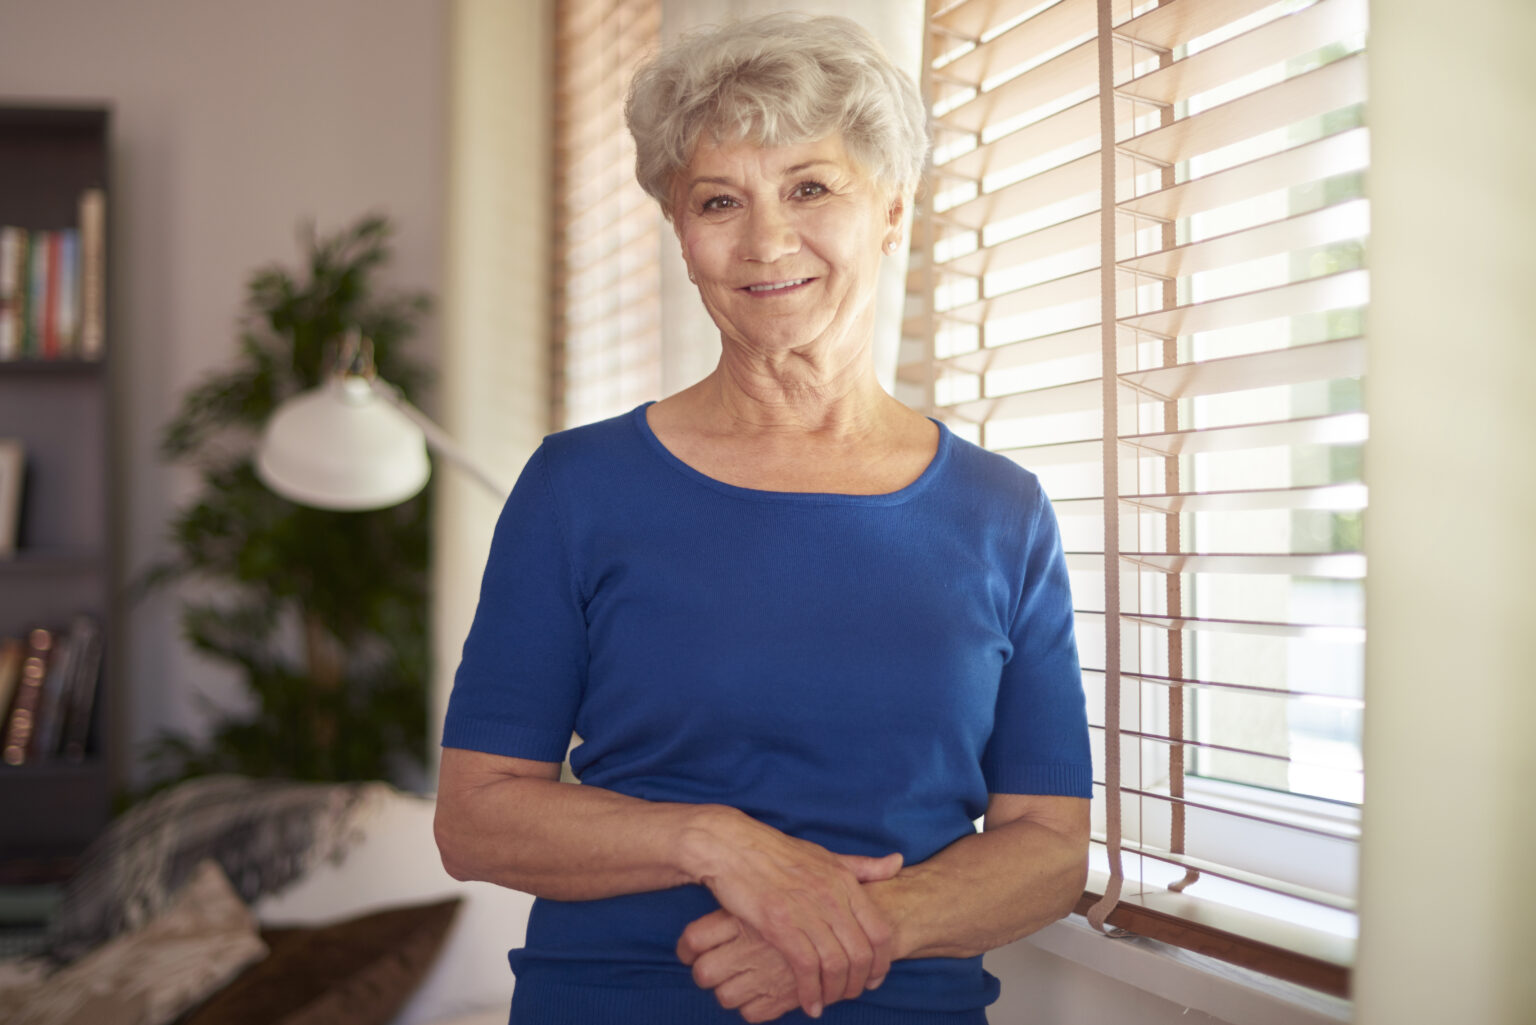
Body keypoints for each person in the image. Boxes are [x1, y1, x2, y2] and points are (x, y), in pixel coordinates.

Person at [434, 12, 1092, 1025]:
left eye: (811, 188)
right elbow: (476, 820)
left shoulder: (1002, 511)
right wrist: (716, 842)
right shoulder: (579, 486)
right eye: (719, 199)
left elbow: (1048, 844)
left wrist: (844, 933)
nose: (767, 240)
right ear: (680, 231)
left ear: (890, 210)